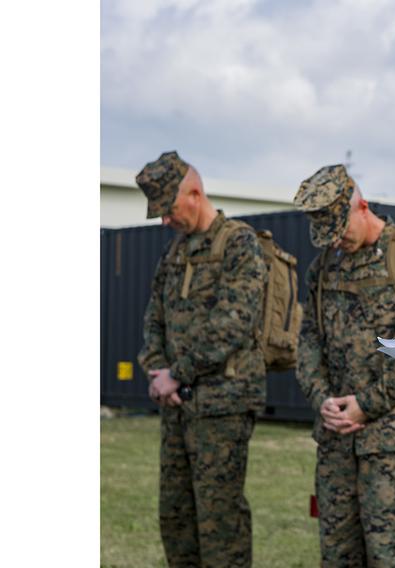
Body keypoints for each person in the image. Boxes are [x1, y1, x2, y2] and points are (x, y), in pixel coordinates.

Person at [294, 164, 395, 566]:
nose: (337, 243)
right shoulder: (323, 268)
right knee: (338, 555)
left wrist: (367, 404)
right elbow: (309, 339)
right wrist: (322, 399)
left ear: (361, 205)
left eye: (340, 231)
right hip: (336, 436)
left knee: (390, 557)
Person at [136, 151, 267, 567]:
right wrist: (158, 372)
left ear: (194, 193)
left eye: (168, 209)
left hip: (222, 408)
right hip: (177, 404)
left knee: (219, 522)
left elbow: (234, 323)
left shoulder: (239, 243)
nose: (164, 221)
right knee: (175, 516)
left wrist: (176, 373)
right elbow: (153, 319)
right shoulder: (175, 253)